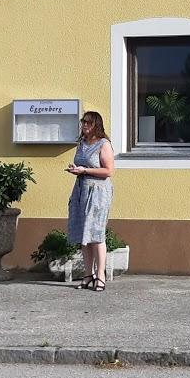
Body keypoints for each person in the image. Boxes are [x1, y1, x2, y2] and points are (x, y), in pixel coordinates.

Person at [67, 110, 115, 292]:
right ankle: (88, 275)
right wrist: (75, 169)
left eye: (88, 123)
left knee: (96, 233)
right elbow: (82, 165)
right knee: (83, 234)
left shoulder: (104, 144)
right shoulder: (81, 144)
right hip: (81, 190)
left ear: (96, 125)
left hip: (98, 192)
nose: (85, 125)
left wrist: (85, 171)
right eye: (83, 122)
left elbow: (108, 171)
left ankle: (100, 276)